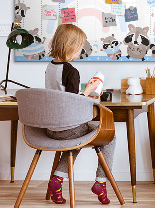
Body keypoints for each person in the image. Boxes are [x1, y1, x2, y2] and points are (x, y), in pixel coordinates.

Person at [45, 24, 115, 205]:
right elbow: (73, 103)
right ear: (71, 46)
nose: (80, 51)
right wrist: (90, 90)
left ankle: (57, 180)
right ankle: (101, 182)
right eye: (80, 47)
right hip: (68, 128)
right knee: (110, 136)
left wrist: (84, 92)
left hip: (51, 128)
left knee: (75, 139)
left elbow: (62, 96)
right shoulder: (71, 71)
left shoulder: (50, 67)